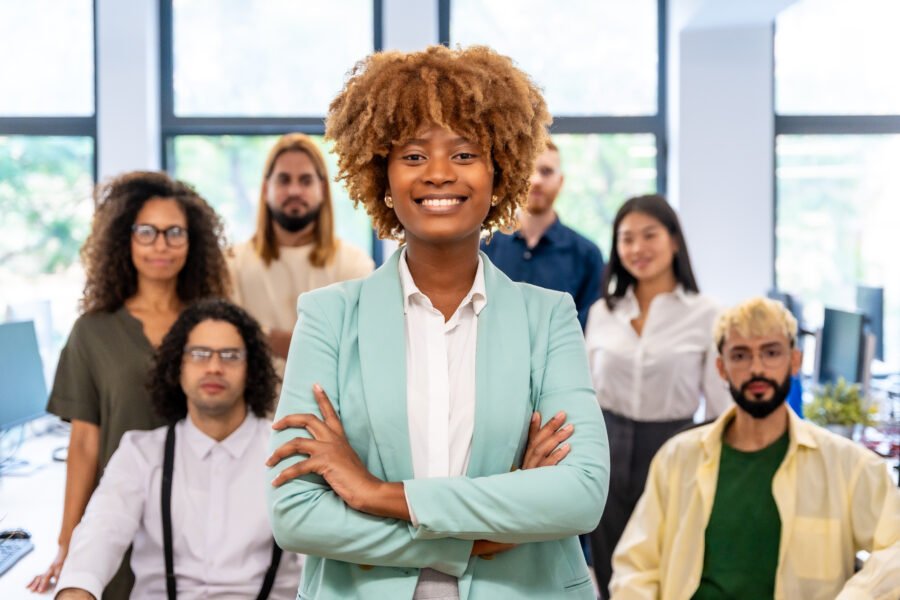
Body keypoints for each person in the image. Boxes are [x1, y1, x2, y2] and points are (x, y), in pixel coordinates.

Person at [265, 45, 610, 600]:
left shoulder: (548, 317)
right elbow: (296, 513)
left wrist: (375, 493)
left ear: (501, 174)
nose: (440, 174)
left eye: (466, 153)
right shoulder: (328, 317)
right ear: (382, 176)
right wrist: (480, 535)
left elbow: (580, 495)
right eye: (414, 156)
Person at [610, 297, 900, 599]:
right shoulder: (677, 458)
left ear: (795, 362)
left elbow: (895, 551)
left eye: (771, 352)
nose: (756, 368)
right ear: (722, 368)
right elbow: (636, 567)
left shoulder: (849, 466)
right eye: (740, 355)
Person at [29, 172, 231, 597]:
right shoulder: (93, 332)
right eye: (147, 232)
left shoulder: (216, 326)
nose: (161, 244)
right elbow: (84, 443)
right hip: (120, 522)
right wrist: (69, 545)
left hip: (205, 520)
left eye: (174, 232)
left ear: (192, 241)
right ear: (126, 239)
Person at [53, 299, 303, 600]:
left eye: (230, 355)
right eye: (199, 354)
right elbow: (102, 531)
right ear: (177, 366)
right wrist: (76, 591)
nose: (214, 366)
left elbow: (320, 556)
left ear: (251, 369)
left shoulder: (290, 453)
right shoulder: (139, 453)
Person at [584, 194, 731, 598]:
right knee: (612, 571)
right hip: (606, 454)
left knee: (670, 570)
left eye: (649, 235)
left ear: (674, 241)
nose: (637, 248)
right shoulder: (602, 312)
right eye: (626, 238)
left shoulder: (706, 313)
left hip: (674, 451)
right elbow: (584, 395)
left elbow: (722, 407)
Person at [227, 133, 374, 368]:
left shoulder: (354, 265)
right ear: (266, 189)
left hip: (328, 403)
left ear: (323, 189)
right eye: (284, 180)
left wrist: (267, 337)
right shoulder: (233, 263)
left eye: (305, 181)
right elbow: (226, 338)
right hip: (252, 404)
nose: (294, 191)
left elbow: (358, 347)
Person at [481, 139, 604, 329]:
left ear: (560, 181)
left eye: (546, 171)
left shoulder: (587, 255)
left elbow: (590, 330)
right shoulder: (484, 251)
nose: (536, 180)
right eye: (527, 170)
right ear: (513, 178)